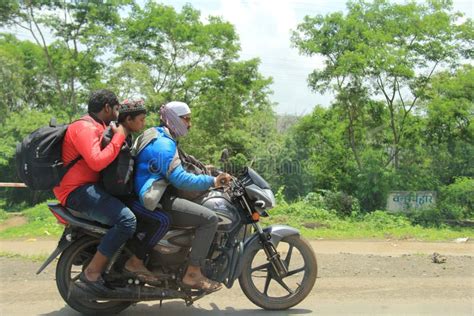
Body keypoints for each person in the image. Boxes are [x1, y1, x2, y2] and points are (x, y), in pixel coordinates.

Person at [53, 90, 147, 294]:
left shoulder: (100, 126)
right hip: (76, 191)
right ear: (107, 108)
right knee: (126, 220)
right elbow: (96, 162)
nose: (118, 113)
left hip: (90, 188)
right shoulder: (83, 127)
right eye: (116, 109)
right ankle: (92, 273)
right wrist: (119, 137)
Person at [134, 101, 232, 292]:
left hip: (154, 192)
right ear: (173, 119)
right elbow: (179, 179)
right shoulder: (163, 144)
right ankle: (193, 274)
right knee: (210, 219)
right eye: (186, 119)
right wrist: (213, 182)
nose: (189, 124)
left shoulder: (158, 134)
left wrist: (208, 171)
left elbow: (179, 165)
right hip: (155, 197)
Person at [101, 98, 170, 283]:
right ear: (128, 120)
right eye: (141, 119)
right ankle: (135, 261)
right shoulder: (119, 135)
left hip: (122, 194)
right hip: (120, 197)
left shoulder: (124, 133)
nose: (144, 123)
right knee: (162, 221)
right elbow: (120, 175)